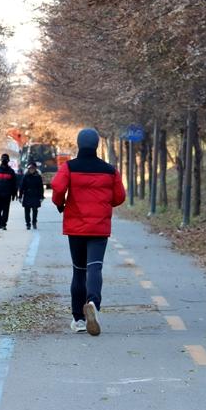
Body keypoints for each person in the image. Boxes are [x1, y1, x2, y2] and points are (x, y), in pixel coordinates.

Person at [51, 128, 126, 336]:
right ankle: (93, 302)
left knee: (79, 271)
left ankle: (79, 319)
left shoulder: (69, 167)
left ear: (78, 144)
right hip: (99, 227)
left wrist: (61, 204)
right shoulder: (110, 170)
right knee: (95, 268)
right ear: (96, 145)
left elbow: (57, 188)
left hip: (76, 227)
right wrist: (104, 203)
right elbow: (119, 196)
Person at [0, 153, 19, 230]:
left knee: (6, 209)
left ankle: (4, 224)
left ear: (8, 161)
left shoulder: (11, 172)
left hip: (7, 194)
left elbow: (14, 183)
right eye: (3, 159)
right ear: (1, 160)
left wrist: (14, 193)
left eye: (6, 159)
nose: (4, 160)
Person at [18, 162, 45, 230]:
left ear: (35, 169)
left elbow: (40, 187)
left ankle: (34, 222)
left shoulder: (38, 177)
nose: (31, 170)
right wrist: (20, 196)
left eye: (33, 168)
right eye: (30, 168)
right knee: (27, 210)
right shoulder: (25, 176)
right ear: (28, 169)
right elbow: (22, 187)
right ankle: (28, 224)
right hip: (27, 195)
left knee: (35, 210)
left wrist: (41, 196)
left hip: (35, 195)